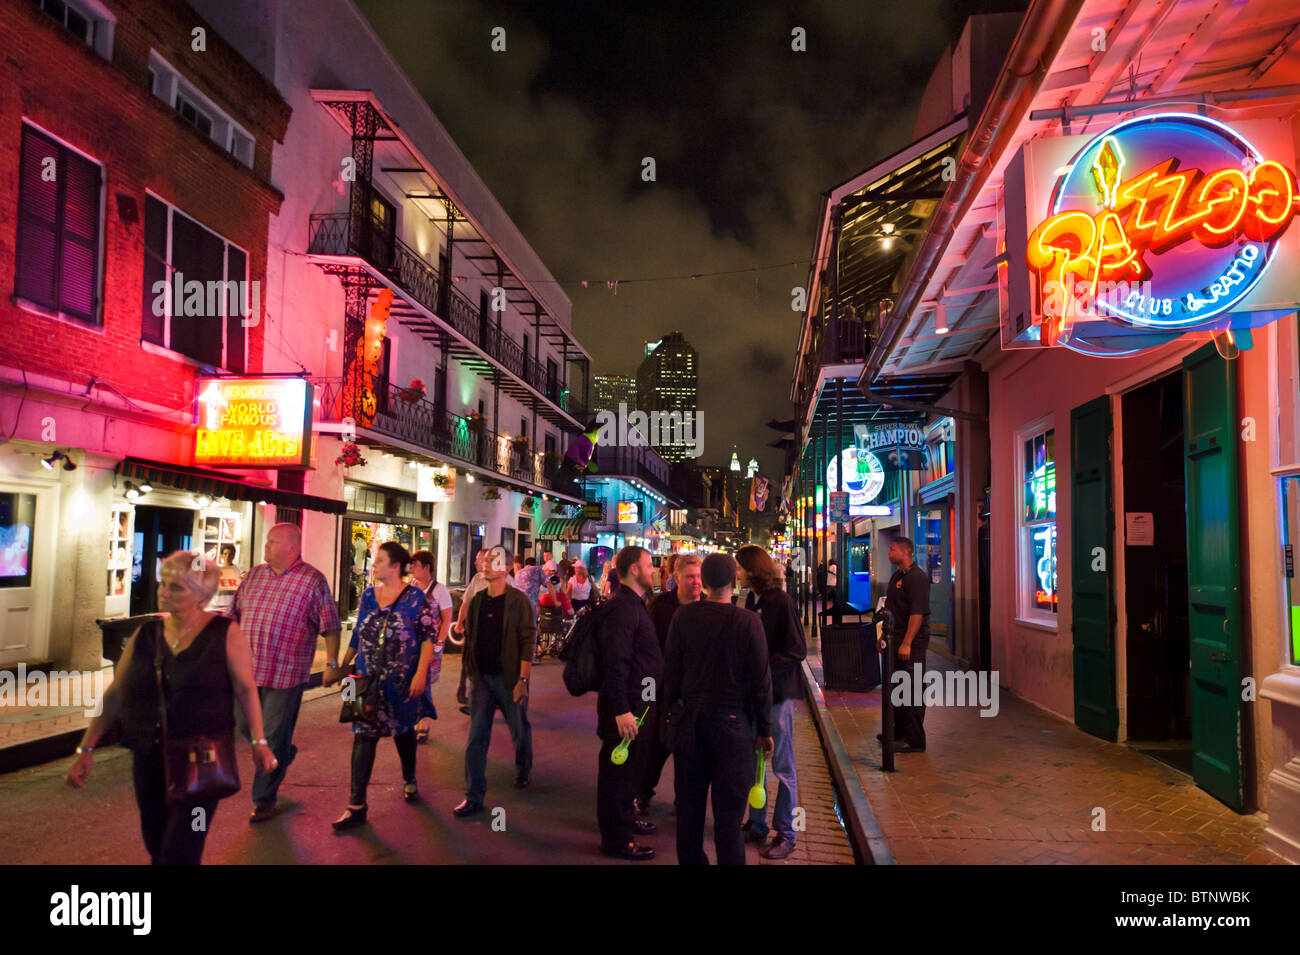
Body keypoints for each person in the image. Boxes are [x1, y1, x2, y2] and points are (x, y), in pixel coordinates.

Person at [65, 552, 276, 864]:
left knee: (182, 849)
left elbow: (246, 689)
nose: (164, 592)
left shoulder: (225, 634)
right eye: (163, 584)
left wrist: (259, 742)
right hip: (149, 758)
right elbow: (115, 694)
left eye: (176, 587)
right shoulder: (146, 634)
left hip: (203, 763)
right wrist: (86, 749)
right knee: (156, 841)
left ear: (201, 593)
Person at [229, 522, 341, 823]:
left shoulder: (313, 580)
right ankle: (283, 754)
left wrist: (331, 664)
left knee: (272, 737)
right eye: (266, 541)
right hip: (248, 671)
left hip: (285, 674)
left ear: (292, 547)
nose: (265, 546)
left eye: (272, 542)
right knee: (244, 725)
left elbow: (330, 624)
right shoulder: (253, 575)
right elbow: (232, 615)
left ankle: (264, 799)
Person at [664, 553, 772, 866]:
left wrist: (671, 712)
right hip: (733, 726)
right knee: (729, 819)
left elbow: (670, 672)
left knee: (690, 811)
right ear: (734, 581)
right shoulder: (748, 622)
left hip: (692, 723)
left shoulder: (683, 618)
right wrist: (764, 730)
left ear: (706, 582)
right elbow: (762, 682)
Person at [333, 542, 438, 830]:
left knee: (403, 731)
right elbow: (358, 632)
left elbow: (428, 637)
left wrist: (420, 674)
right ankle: (356, 805)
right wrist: (343, 664)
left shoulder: (417, 598)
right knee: (361, 735)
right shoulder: (367, 595)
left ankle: (410, 778)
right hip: (363, 679)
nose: (374, 565)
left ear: (395, 566)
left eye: (379, 561)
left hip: (401, 680)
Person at [736, 545, 808, 860]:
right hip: (752, 695)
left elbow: (797, 650)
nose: (735, 572)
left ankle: (787, 833)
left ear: (752, 570)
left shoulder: (781, 602)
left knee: (781, 765)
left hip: (776, 697)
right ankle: (757, 823)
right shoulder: (748, 600)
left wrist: (763, 668)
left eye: (738, 567)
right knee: (755, 763)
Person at [455, 546, 536, 816]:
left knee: (519, 729)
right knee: (476, 738)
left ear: (506, 567)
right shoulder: (478, 600)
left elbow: (527, 641)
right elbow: (472, 639)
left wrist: (522, 679)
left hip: (510, 677)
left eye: (492, 561)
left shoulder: (518, 601)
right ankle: (473, 796)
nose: (485, 565)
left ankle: (523, 767)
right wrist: (469, 675)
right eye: (485, 561)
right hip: (482, 680)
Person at [595, 546, 662, 860]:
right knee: (618, 776)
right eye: (649, 565)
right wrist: (622, 710)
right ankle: (618, 841)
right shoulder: (622, 607)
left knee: (629, 773)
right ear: (634, 569)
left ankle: (624, 826)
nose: (654, 570)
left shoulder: (634, 603)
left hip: (639, 705)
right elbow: (616, 661)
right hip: (626, 710)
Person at [637, 553, 702, 817]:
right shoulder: (662, 605)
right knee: (656, 746)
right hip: (663, 691)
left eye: (699, 577)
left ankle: (685, 800)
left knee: (690, 754)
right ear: (676, 578)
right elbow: (647, 647)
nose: (696, 582)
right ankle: (642, 794)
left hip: (694, 694)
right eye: (690, 577)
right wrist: (647, 690)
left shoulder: (706, 608)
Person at [883, 537, 931, 753]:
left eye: (892, 549)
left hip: (911, 643)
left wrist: (907, 643)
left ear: (904, 552)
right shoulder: (898, 576)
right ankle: (899, 731)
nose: (889, 552)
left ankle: (914, 739)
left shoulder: (917, 578)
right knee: (897, 688)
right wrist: (883, 636)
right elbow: (891, 609)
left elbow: (917, 614)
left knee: (911, 689)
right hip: (895, 638)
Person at [410, 550, 452, 743]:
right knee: (412, 681)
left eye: (415, 564)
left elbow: (447, 618)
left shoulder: (439, 590)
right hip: (410, 646)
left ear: (427, 567)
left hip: (431, 645)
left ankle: (423, 722)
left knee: (424, 682)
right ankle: (415, 719)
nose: (411, 568)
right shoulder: (409, 587)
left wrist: (440, 642)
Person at [453, 549, 492, 715]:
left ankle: (480, 702)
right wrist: (460, 622)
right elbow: (466, 602)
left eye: (478, 559)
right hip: (473, 629)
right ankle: (471, 697)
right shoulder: (477, 579)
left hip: (489, 633)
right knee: (469, 661)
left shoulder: (502, 581)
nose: (476, 563)